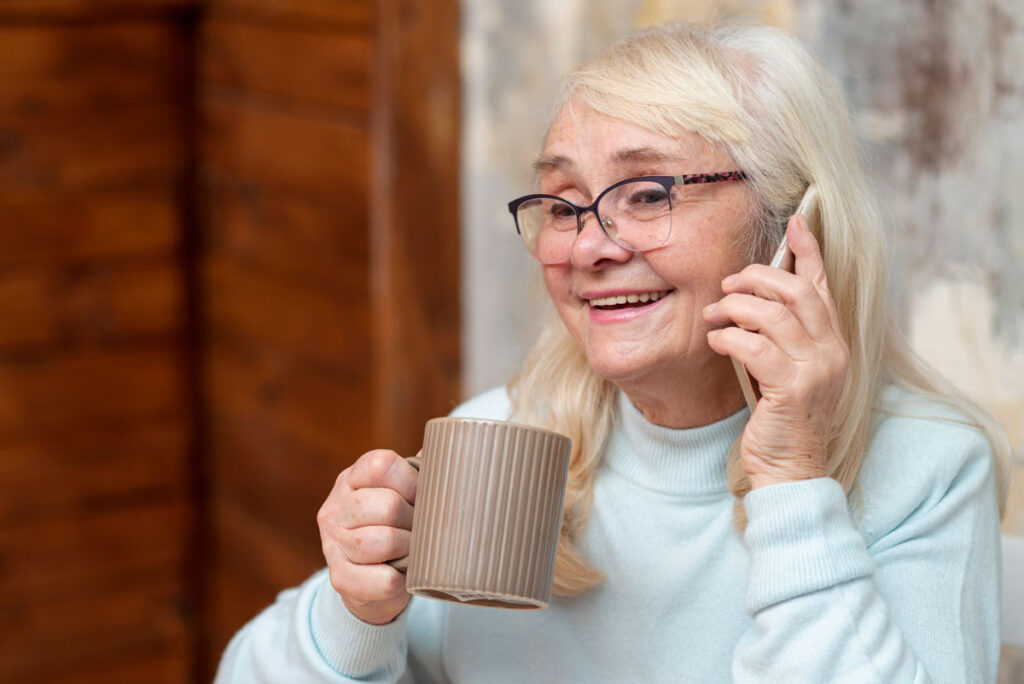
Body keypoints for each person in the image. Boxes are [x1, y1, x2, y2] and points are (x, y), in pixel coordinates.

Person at [215, 22, 1010, 683]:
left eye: (649, 193)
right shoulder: (503, 440)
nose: (589, 245)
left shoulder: (927, 470)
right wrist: (355, 613)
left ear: (790, 226)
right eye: (563, 203)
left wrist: (794, 481)